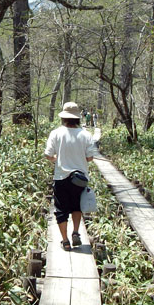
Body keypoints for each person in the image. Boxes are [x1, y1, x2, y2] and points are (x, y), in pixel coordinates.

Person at [44, 102, 96, 251]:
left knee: (61, 210)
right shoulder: (86, 135)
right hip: (79, 178)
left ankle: (65, 241)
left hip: (61, 177)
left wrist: (56, 159)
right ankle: (75, 232)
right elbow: (90, 158)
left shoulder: (56, 133)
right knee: (76, 206)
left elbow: (48, 154)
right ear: (78, 118)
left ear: (64, 118)